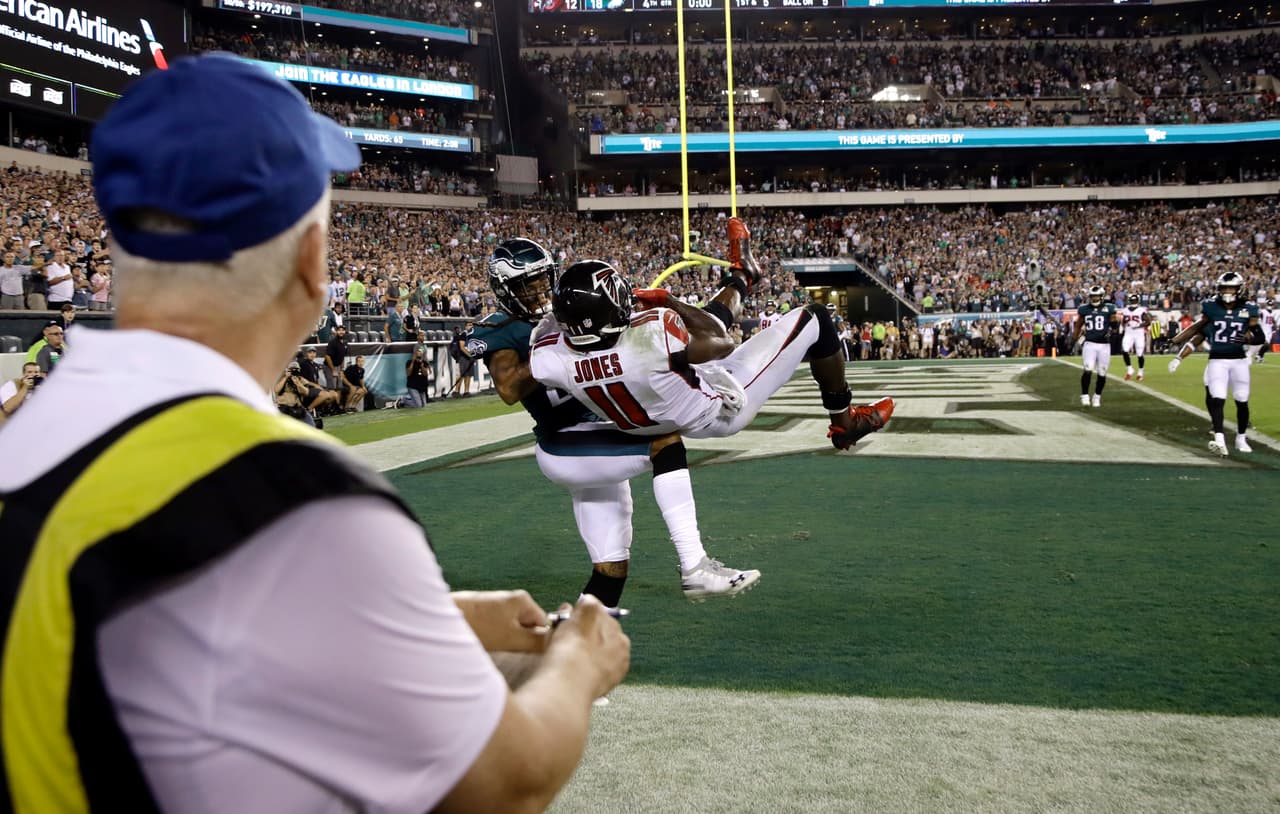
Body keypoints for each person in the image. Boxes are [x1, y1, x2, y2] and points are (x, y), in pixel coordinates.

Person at [0, 53, 629, 814]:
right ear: (310, 261)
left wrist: (433, 619)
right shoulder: (294, 492)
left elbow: (151, 633)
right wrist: (579, 662)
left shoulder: (33, 427)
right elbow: (505, 780)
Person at [464, 236, 760, 603]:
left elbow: (700, 333)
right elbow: (508, 388)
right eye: (527, 286)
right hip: (565, 441)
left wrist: (737, 282)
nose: (539, 293)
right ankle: (695, 567)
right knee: (664, 442)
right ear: (505, 289)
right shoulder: (504, 329)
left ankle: (575, 650)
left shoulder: (576, 309)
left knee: (610, 570)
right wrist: (557, 349)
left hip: (600, 436)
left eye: (543, 281)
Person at [529, 221, 894, 452]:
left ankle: (742, 275)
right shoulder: (650, 341)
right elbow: (721, 339)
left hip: (645, 423)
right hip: (716, 409)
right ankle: (845, 423)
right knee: (814, 319)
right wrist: (668, 301)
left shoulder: (549, 357)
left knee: (687, 343)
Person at [1168, 271, 1263, 456]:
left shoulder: (1249, 308)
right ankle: (1219, 439)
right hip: (1217, 360)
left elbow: (1260, 336)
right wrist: (1175, 342)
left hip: (1239, 361)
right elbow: (1197, 330)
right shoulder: (1211, 308)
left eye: (1231, 287)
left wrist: (1247, 337)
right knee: (1217, 399)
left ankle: (1241, 438)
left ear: (1239, 289)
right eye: (1224, 287)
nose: (1227, 291)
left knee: (1242, 400)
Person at [1071, 285, 1118, 407]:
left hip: (1104, 345)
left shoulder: (1109, 308)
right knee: (1088, 369)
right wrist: (1076, 339)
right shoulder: (1084, 309)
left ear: (1102, 296)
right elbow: (1078, 326)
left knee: (1102, 372)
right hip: (1090, 344)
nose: (1094, 298)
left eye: (1096, 296)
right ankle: (1085, 395)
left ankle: (1097, 396)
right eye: (1092, 296)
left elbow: (1115, 324)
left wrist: (1114, 324)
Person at [1119, 291, 1151, 381]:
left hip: (1139, 333)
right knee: (1124, 350)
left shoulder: (1141, 310)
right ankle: (1130, 369)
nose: (1133, 302)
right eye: (1132, 301)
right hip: (1129, 332)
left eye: (1134, 300)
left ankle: (1140, 372)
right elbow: (1123, 321)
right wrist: (1124, 324)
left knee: (1139, 353)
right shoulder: (1125, 310)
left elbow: (1148, 321)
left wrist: (1139, 325)